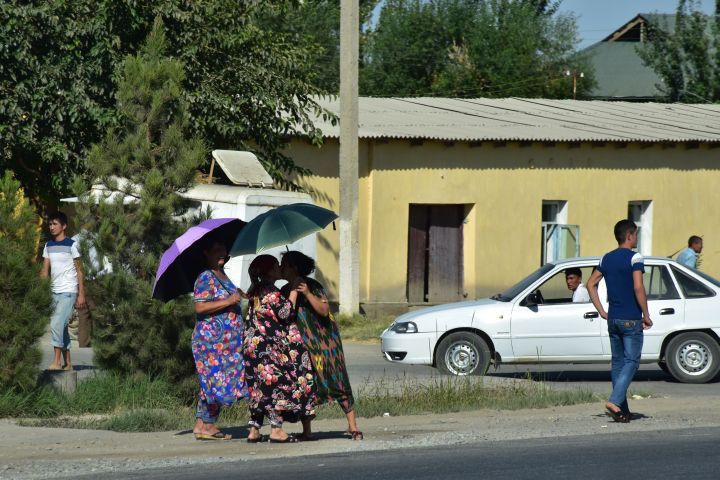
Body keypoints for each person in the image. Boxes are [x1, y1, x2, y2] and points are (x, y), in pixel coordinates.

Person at [280, 251, 363, 441]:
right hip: (304, 346)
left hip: (326, 344)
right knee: (307, 385)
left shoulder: (314, 286)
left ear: (294, 267)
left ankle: (352, 425)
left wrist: (307, 293)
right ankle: (307, 430)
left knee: (338, 381)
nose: (281, 267)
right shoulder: (285, 291)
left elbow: (324, 310)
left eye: (284, 263)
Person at [244, 255, 317, 443]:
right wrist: (293, 290)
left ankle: (254, 429)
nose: (279, 267)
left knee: (258, 388)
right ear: (268, 271)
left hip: (253, 346)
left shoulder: (256, 290)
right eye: (276, 265)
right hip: (267, 348)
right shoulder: (271, 291)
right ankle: (276, 429)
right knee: (275, 385)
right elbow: (285, 313)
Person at [587, 219, 652, 423]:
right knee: (632, 362)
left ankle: (621, 409)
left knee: (618, 363)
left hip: (613, 318)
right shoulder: (635, 258)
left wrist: (602, 311)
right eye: (636, 234)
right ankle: (615, 401)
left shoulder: (606, 258)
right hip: (631, 318)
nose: (637, 238)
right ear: (630, 235)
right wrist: (646, 314)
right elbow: (638, 287)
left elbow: (590, 284)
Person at [191, 237, 247, 441]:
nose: (222, 252)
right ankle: (208, 425)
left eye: (223, 248)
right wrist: (228, 301)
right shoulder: (206, 277)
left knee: (210, 382)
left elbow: (227, 298)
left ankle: (201, 424)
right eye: (217, 248)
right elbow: (200, 307)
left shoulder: (222, 275)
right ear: (206, 253)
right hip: (211, 343)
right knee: (215, 381)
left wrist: (238, 295)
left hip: (225, 344)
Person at [40, 212, 85, 371]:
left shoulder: (72, 245)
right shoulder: (48, 246)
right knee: (62, 326)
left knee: (56, 324)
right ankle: (68, 363)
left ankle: (56, 362)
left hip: (69, 291)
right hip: (53, 292)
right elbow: (45, 271)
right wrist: (41, 291)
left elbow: (80, 271)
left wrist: (81, 294)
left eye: (55, 224)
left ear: (64, 226)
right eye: (50, 224)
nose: (51, 227)